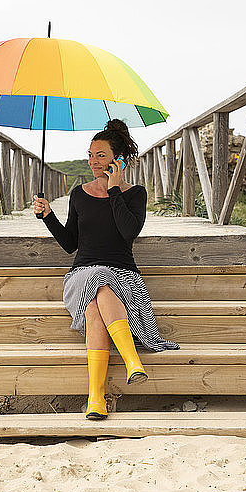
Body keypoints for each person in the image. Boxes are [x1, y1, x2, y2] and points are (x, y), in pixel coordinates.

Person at [33, 118, 180, 421]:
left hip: (123, 278)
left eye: (100, 155)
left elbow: (128, 232)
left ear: (118, 158)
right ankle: (131, 360)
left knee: (95, 307)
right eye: (90, 155)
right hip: (82, 274)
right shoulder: (78, 194)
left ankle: (96, 398)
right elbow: (71, 244)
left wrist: (114, 191)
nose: (93, 161)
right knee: (97, 279)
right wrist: (48, 216)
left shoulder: (135, 194)